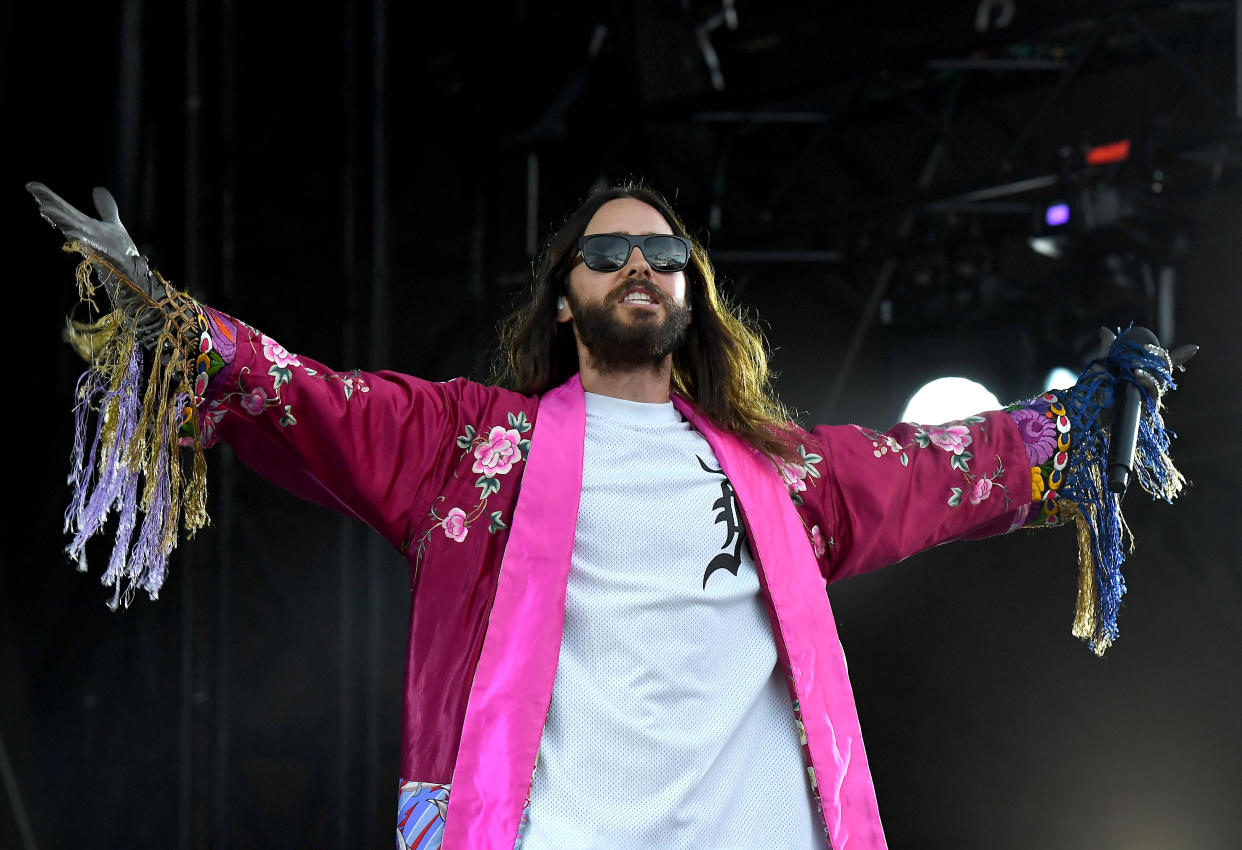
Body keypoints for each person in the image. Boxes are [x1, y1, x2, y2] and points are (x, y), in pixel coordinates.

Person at [27, 181, 1191, 850]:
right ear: (568, 297)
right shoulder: (472, 451)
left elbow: (933, 464)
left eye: (663, 252)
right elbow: (317, 400)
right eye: (608, 249)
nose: (638, 262)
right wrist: (180, 329)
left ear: (690, 298)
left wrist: (1077, 428)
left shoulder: (784, 475)